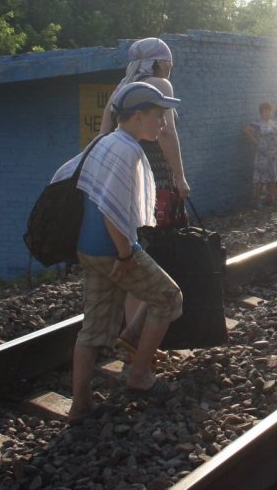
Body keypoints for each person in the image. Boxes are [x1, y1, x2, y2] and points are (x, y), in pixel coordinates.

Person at [55, 82, 184, 422]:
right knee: (169, 298)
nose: (163, 122)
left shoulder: (104, 142)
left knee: (94, 327)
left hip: (89, 249)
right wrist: (126, 256)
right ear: (137, 116)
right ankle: (140, 374)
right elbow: (111, 211)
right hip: (113, 250)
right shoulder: (126, 151)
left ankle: (80, 403)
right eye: (158, 115)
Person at [98, 37, 190, 202]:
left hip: (121, 170)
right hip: (153, 170)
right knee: (157, 221)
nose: (170, 69)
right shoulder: (159, 85)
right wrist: (180, 177)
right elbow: (166, 132)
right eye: (169, 64)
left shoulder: (120, 90)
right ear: (160, 63)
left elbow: (102, 135)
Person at [243, 102, 277, 208]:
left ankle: (272, 200)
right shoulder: (257, 123)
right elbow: (245, 130)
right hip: (263, 155)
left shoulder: (274, 123)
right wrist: (256, 142)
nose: (267, 113)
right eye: (264, 111)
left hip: (275, 155)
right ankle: (257, 202)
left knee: (272, 178)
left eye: (268, 111)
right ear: (261, 112)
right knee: (260, 179)